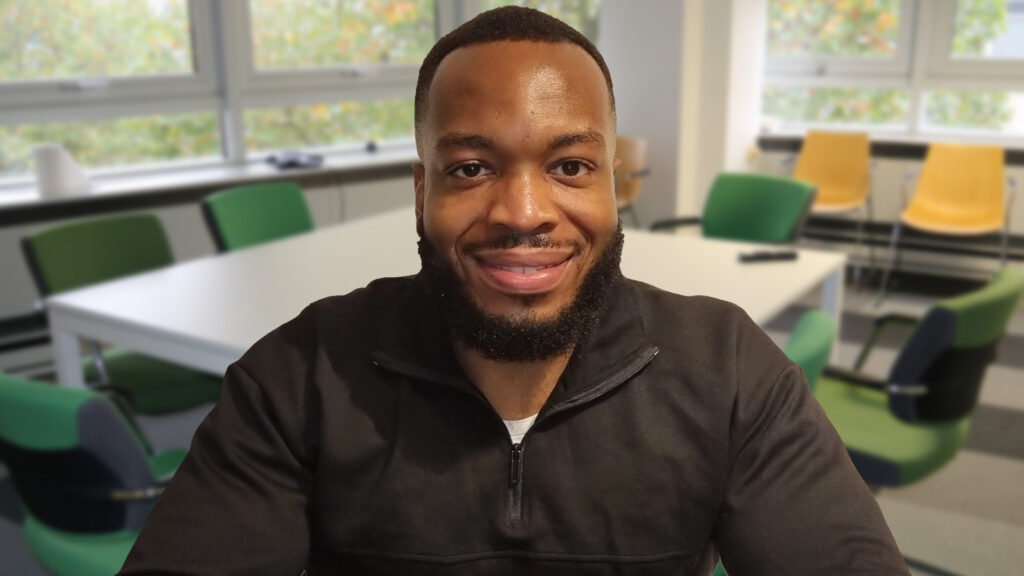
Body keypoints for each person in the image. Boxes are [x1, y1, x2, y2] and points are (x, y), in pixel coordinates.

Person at [119, 7, 909, 575]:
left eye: (570, 166)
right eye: (471, 168)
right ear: (422, 191)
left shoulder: (729, 368)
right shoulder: (302, 375)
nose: (525, 213)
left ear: (613, 186)